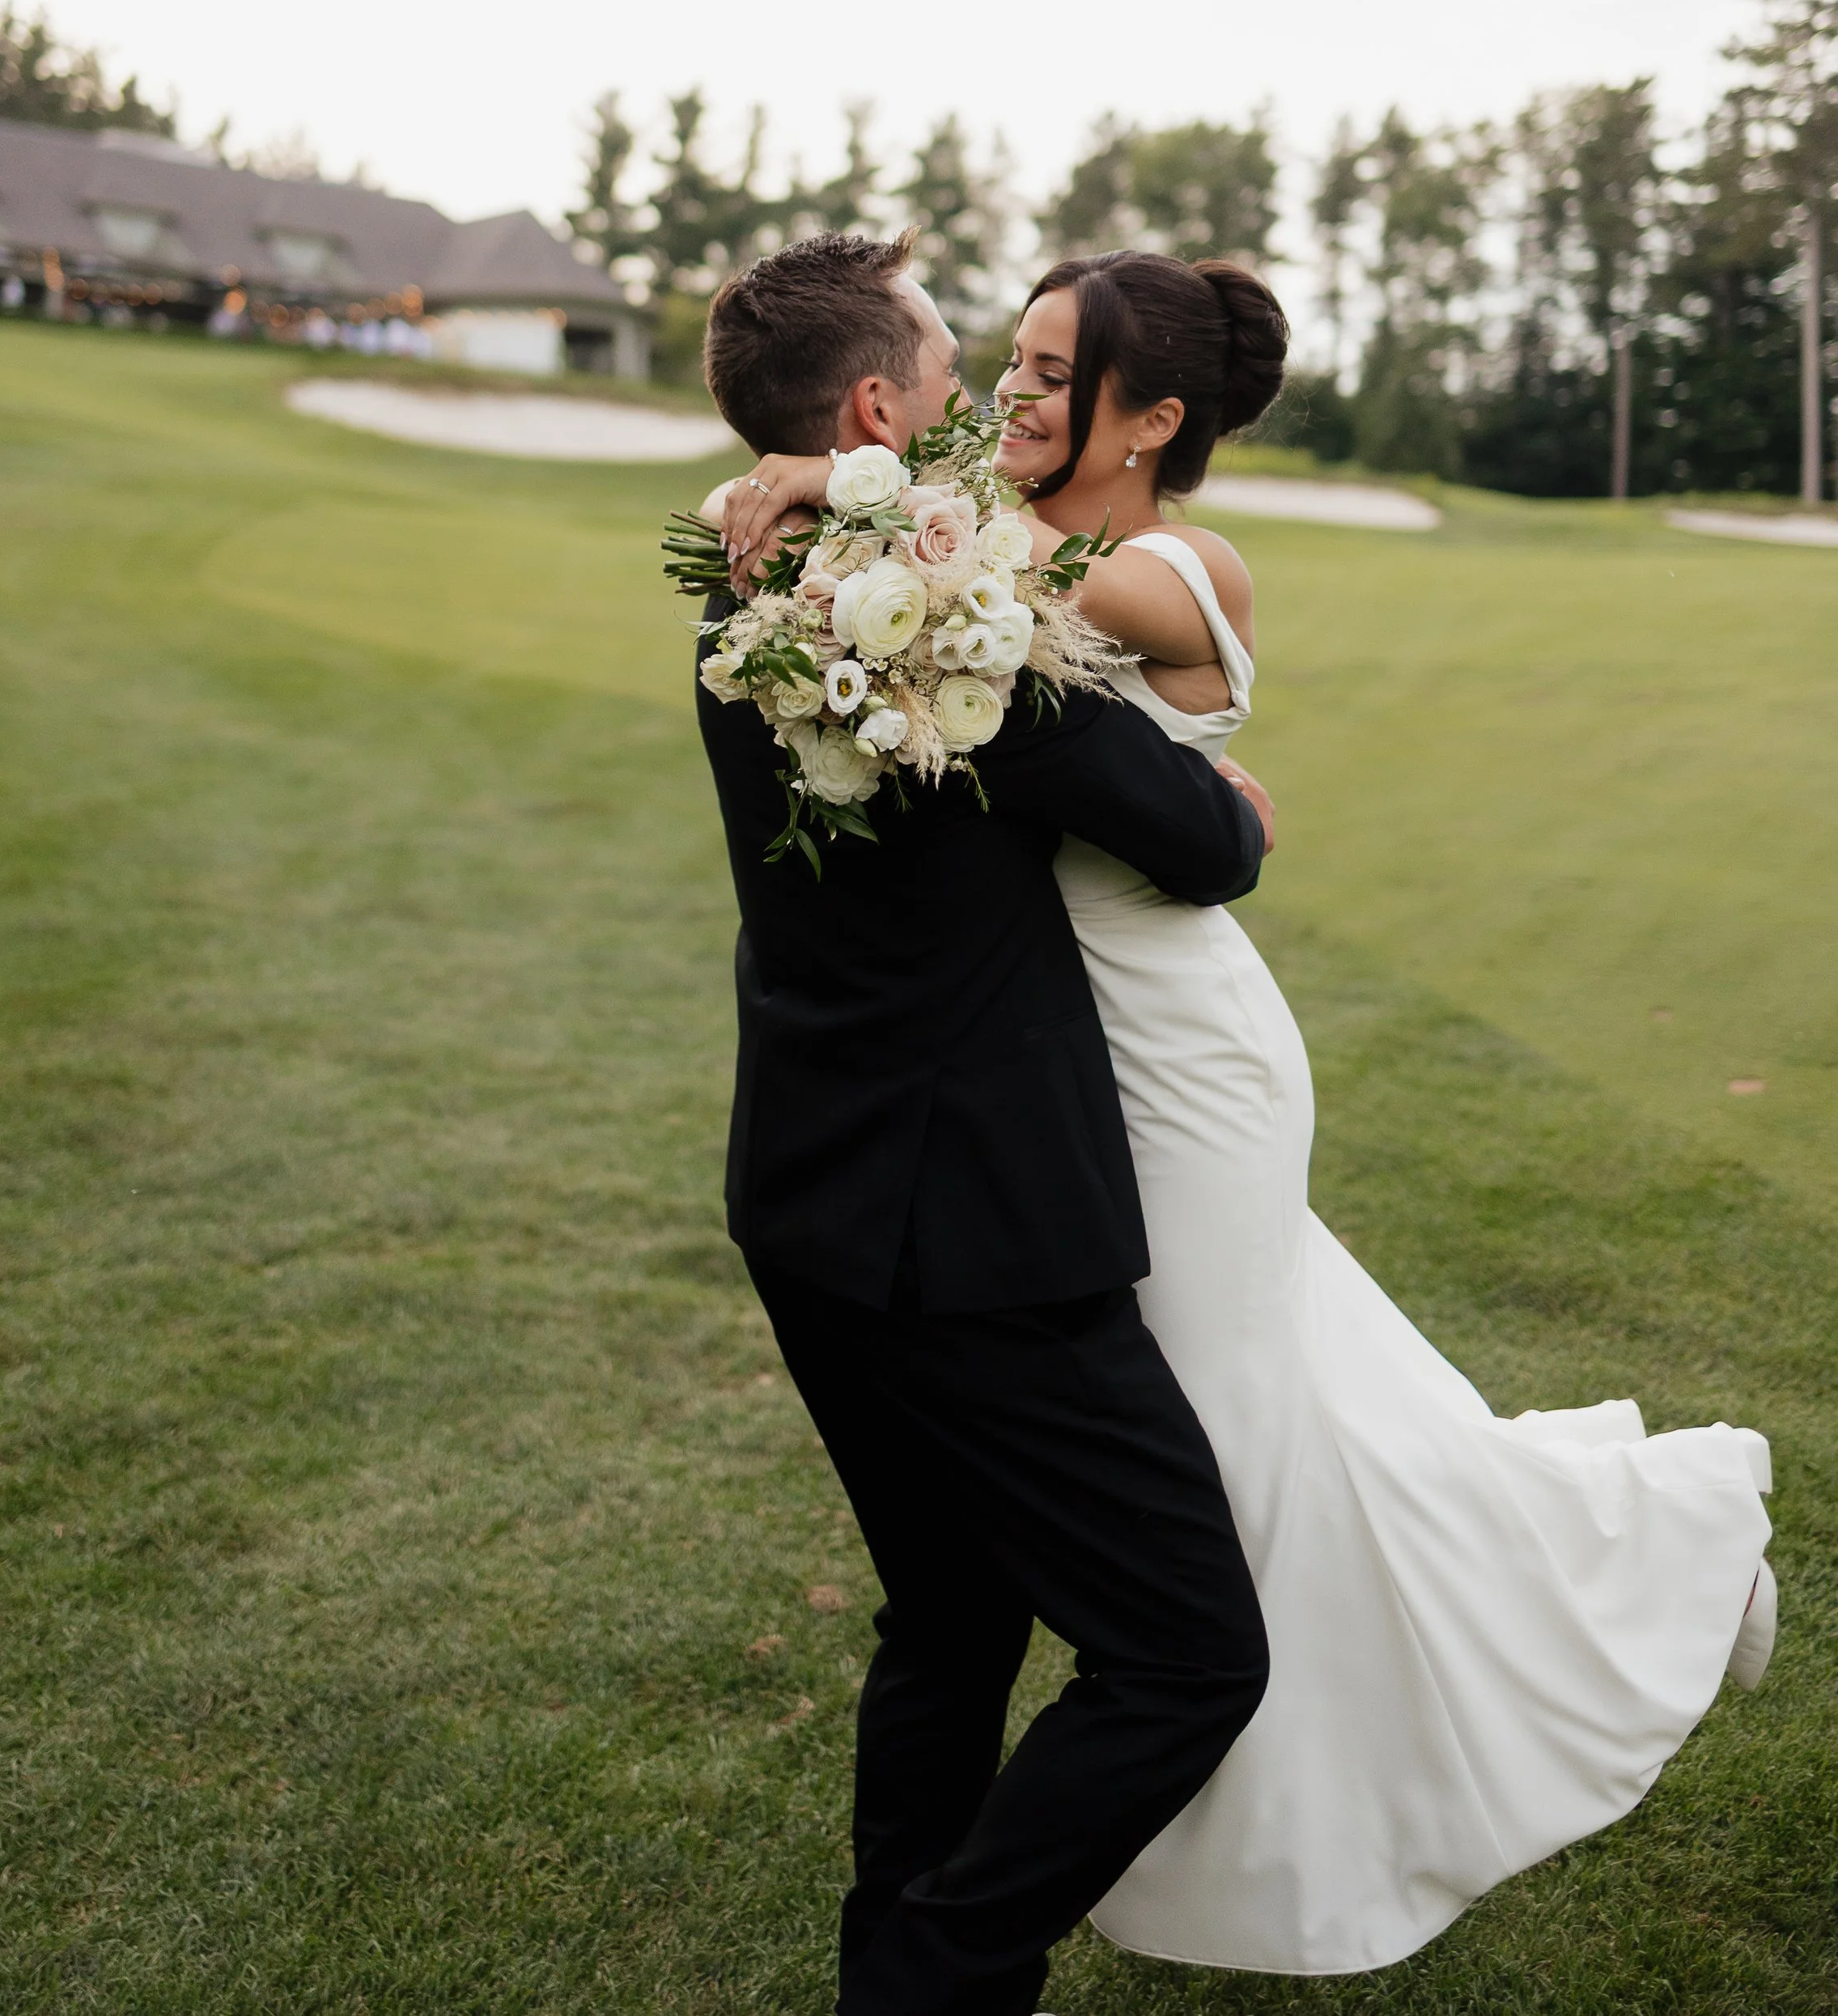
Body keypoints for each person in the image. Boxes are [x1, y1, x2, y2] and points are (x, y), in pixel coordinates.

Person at [724, 245, 1776, 1980]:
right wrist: (826, 487)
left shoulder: (1152, 565)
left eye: (1066, 375)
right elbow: (945, 579)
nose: (1018, 395)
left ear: (1157, 418)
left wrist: (814, 484)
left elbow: (979, 594)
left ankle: (1603, 1582)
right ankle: (1496, 1604)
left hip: (1172, 1057)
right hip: (1048, 1067)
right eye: (1015, 357)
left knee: (1235, 1450)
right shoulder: (951, 528)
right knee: (1251, 1442)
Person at [694, 228, 1276, 2016]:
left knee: (946, 1619)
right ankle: (936, 1975)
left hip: (802, 1198)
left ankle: (896, 1972)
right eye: (950, 377)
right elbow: (1210, 846)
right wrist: (1223, 797)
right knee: (1183, 1654)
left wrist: (816, 483)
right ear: (875, 406)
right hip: (978, 1235)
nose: (967, 411)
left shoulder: (745, 598)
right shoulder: (948, 632)